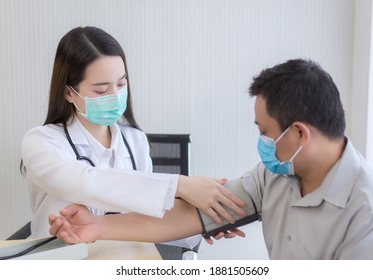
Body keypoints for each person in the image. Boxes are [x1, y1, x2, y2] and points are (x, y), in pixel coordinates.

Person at [49, 58, 373, 259]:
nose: (263, 142)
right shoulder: (276, 175)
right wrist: (97, 226)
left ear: (300, 133)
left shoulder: (370, 209)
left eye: (266, 131)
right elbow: (192, 215)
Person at [21, 26, 246, 247]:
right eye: (101, 90)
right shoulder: (41, 142)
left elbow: (143, 222)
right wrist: (180, 185)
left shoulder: (135, 141)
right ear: (69, 92)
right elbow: (83, 182)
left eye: (121, 83)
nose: (115, 95)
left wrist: (204, 221)